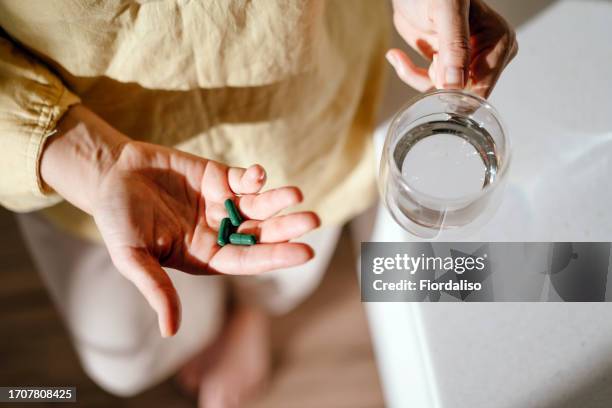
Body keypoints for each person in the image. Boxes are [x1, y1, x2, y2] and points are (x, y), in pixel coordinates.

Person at [0, 0, 516, 406]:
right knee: (124, 358)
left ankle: (254, 310)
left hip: (298, 101)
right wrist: (89, 160)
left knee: (289, 242)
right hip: (85, 138)